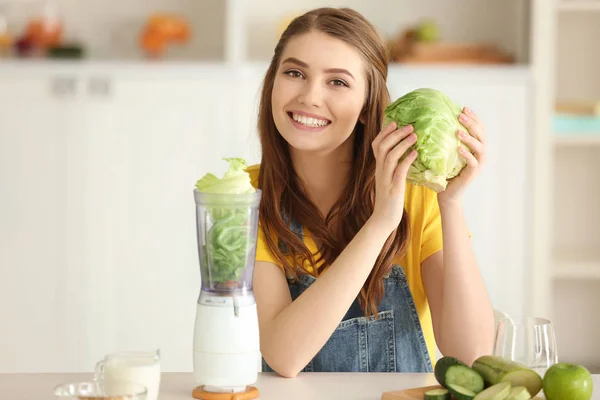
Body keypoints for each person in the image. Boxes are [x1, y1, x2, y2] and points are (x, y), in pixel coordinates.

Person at [246, 7, 495, 378]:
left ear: (367, 107)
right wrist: (380, 224)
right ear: (273, 83)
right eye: (294, 73)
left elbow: (472, 353)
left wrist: (451, 202)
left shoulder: (417, 192)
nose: (310, 97)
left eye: (338, 82)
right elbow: (284, 355)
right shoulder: (249, 196)